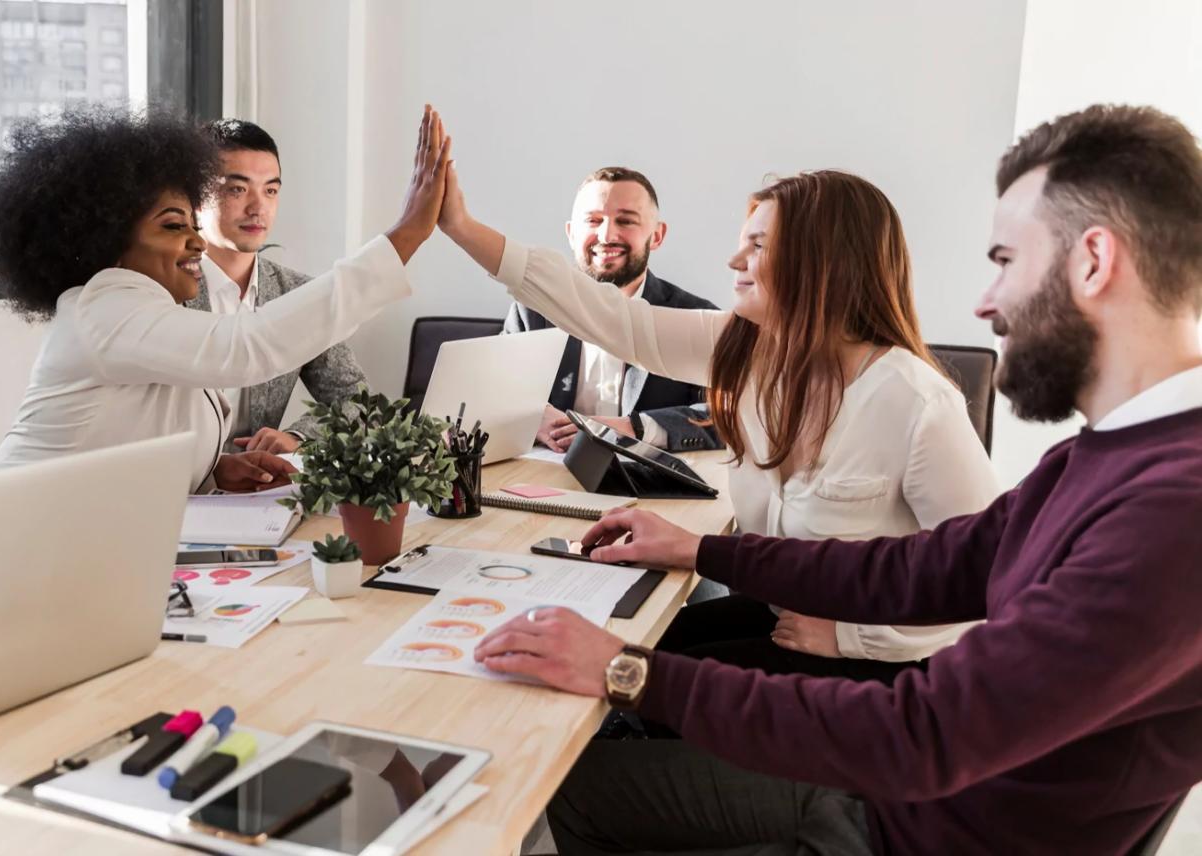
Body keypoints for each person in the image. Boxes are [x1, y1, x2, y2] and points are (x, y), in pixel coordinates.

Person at [474, 104, 1202, 855]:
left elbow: (921, 735)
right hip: (902, 793)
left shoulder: (1172, 513)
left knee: (562, 789)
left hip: (902, 826)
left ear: (1093, 261)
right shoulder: (1106, 458)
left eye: (1006, 262)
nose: (986, 304)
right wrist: (703, 554)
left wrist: (631, 672)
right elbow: (918, 567)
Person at [443, 164, 999, 682]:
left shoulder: (918, 404)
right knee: (620, 651)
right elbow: (611, 319)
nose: (734, 262)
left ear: (822, 262)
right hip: (778, 618)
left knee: (620, 694)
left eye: (757, 246)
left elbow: (990, 579)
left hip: (874, 669)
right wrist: (460, 227)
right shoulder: (753, 354)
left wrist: (856, 636)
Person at [0, 104, 449, 491]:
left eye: (190, 223)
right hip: (9, 537)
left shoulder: (145, 310)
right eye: (171, 225)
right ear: (107, 237)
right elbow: (248, 347)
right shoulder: (103, 308)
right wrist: (408, 233)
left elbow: (136, 440)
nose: (197, 241)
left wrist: (209, 471)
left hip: (80, 534)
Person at [185, 119, 372, 455]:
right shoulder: (161, 292)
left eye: (270, 190)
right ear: (196, 196)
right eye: (237, 189)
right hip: (174, 487)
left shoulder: (297, 293)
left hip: (259, 492)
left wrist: (298, 438)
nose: (258, 208)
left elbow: (358, 405)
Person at [508, 166, 721, 454]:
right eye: (593, 220)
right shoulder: (532, 311)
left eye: (626, 221)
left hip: (650, 490)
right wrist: (535, 416)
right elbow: (495, 393)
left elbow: (725, 417)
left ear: (656, 236)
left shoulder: (697, 317)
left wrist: (636, 427)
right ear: (571, 234)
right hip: (545, 482)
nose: (607, 235)